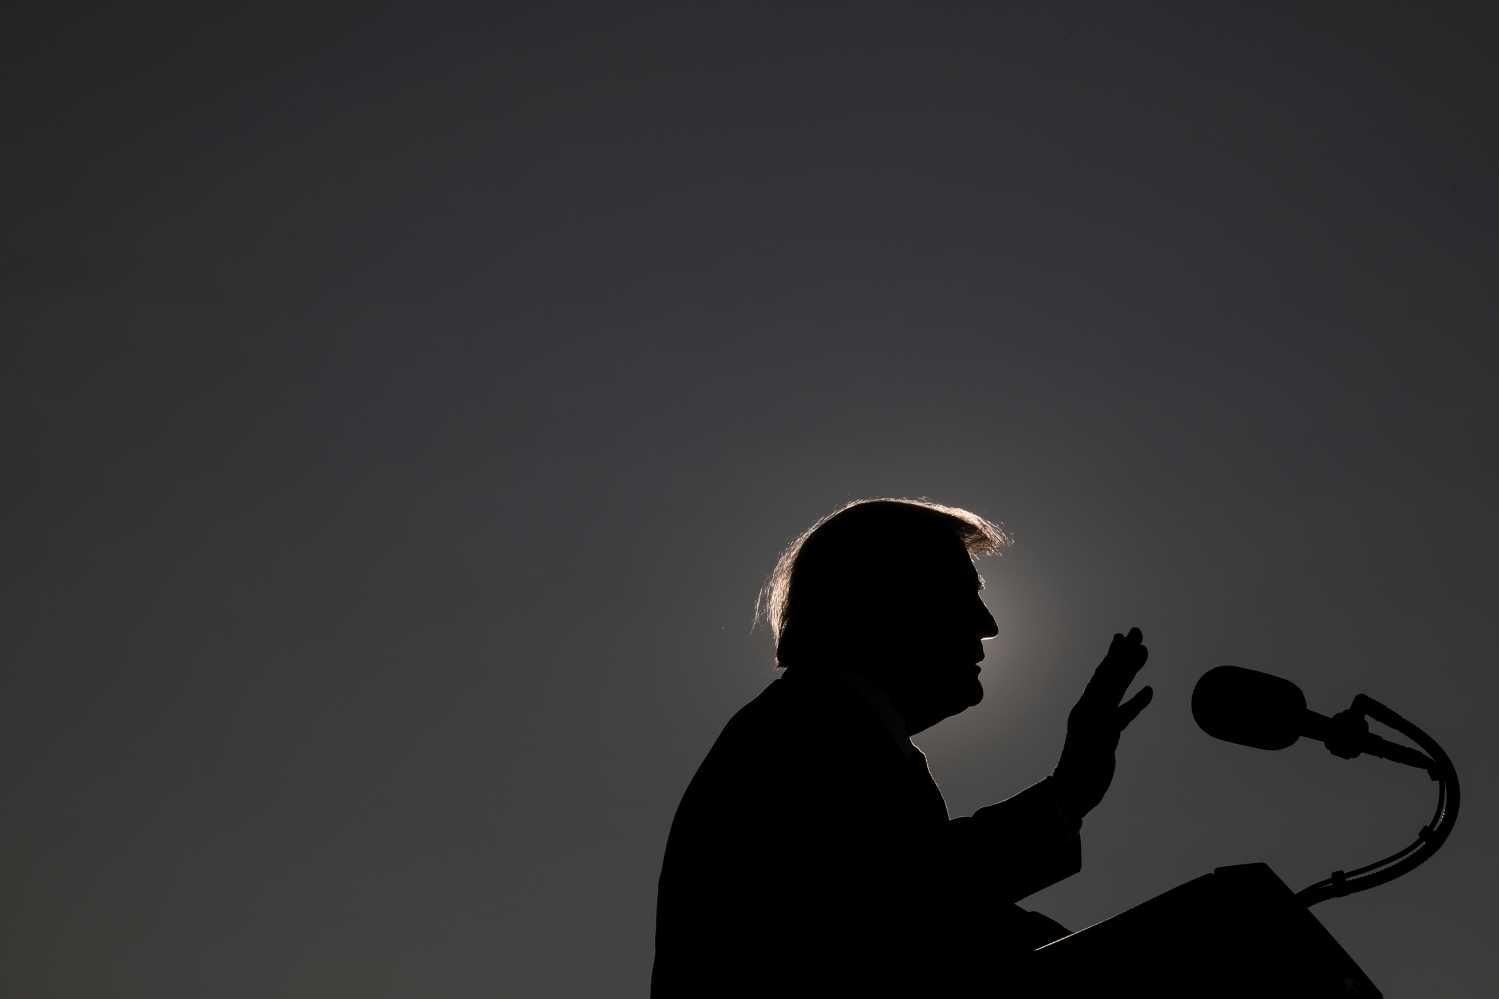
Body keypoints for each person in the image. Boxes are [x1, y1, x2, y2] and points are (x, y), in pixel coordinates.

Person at [650, 498, 1153, 996]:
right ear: (891, 605)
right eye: (964, 595)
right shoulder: (810, 736)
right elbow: (908, 901)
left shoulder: (822, 727)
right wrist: (1066, 794)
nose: (989, 624)